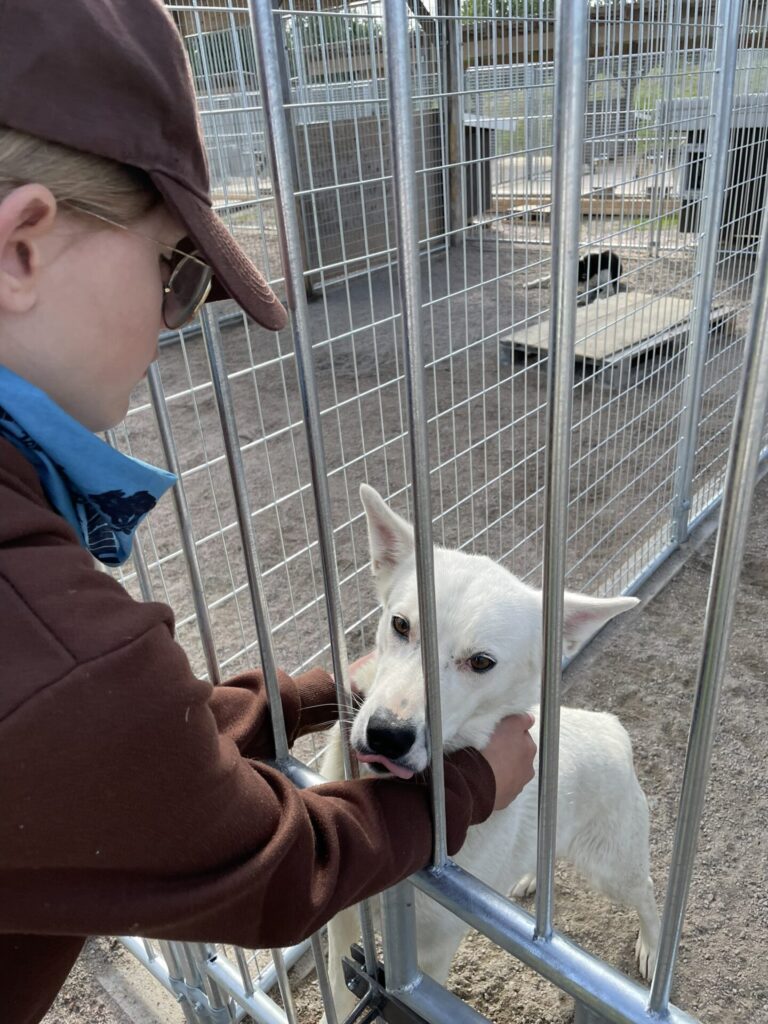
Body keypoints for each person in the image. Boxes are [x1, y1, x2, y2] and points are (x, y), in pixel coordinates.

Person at [0, 3, 537, 1022]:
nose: (176, 314)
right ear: (24, 244)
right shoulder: (53, 642)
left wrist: (311, 695)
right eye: (175, 270)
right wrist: (471, 787)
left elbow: (112, 747)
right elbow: (272, 861)